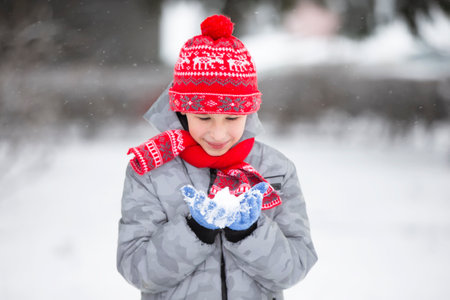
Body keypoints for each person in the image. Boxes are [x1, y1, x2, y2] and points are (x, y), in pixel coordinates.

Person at [117, 15, 317, 300]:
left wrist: (249, 232)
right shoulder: (151, 170)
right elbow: (136, 269)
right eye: (204, 116)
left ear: (249, 112)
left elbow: (296, 266)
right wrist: (194, 230)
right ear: (182, 110)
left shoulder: (275, 170)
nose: (218, 133)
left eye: (232, 117)